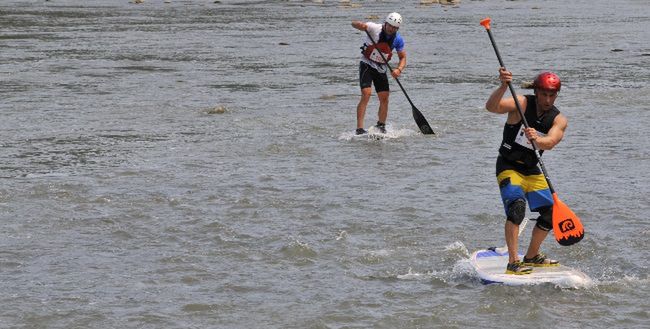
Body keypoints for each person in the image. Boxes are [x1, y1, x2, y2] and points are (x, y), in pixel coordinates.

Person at [485, 68, 567, 275]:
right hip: (508, 166)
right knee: (517, 208)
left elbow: (551, 141)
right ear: (537, 91)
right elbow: (491, 107)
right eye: (544, 94)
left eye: (552, 95)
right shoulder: (521, 103)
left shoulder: (559, 120)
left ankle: (532, 256)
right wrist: (503, 86)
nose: (547, 99)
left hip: (531, 170)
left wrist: (537, 140)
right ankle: (513, 262)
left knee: (550, 213)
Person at [351, 12, 406, 135]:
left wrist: (399, 69)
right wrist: (359, 25)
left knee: (385, 97)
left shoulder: (398, 39)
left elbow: (403, 58)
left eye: (395, 27)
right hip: (366, 64)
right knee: (366, 94)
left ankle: (381, 126)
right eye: (390, 25)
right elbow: (353, 24)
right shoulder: (374, 28)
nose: (391, 29)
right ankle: (359, 128)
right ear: (385, 23)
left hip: (380, 67)